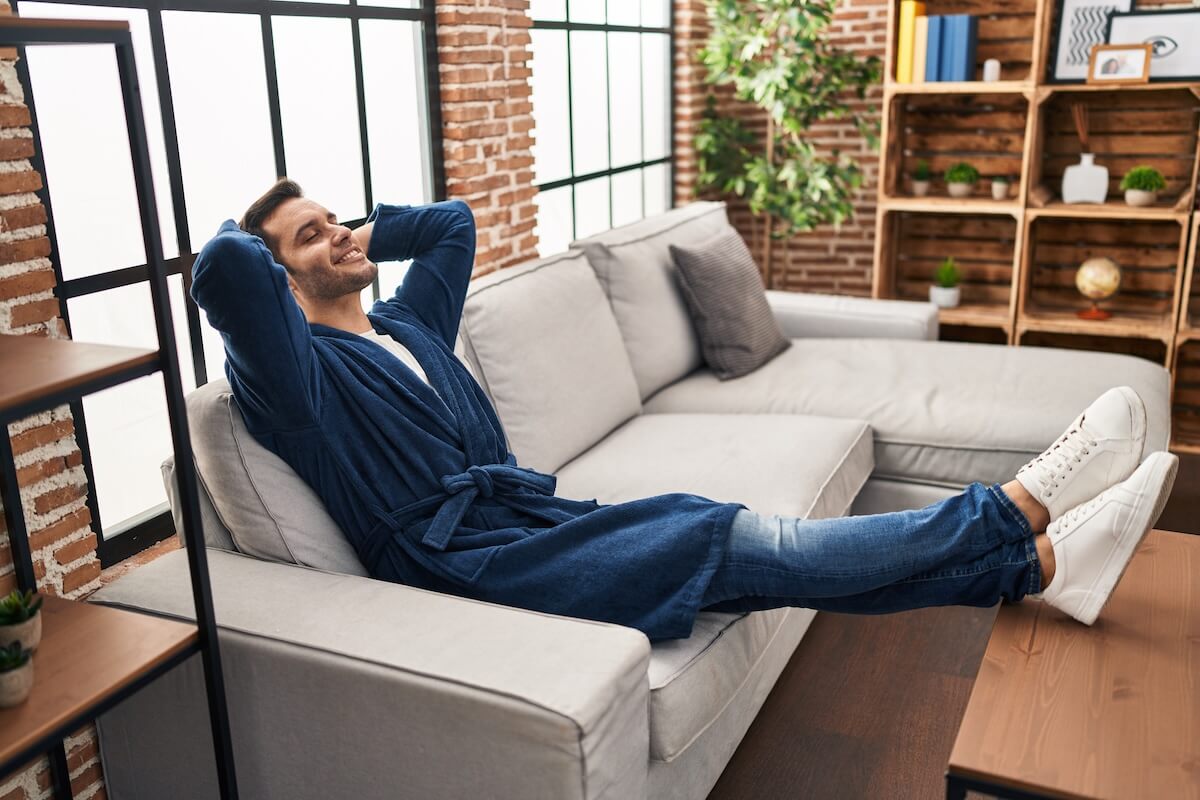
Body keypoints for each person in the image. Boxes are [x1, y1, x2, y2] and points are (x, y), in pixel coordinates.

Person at [190, 178, 1179, 641]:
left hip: (527, 520)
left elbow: (449, 225)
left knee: (746, 562)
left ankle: (1037, 566)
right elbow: (224, 269)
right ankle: (1017, 506)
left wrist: (361, 225)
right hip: (460, 559)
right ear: (281, 286)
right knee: (753, 543)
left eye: (336, 223)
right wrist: (266, 245)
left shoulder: (408, 324)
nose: (338, 239)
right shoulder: (298, 381)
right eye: (309, 238)